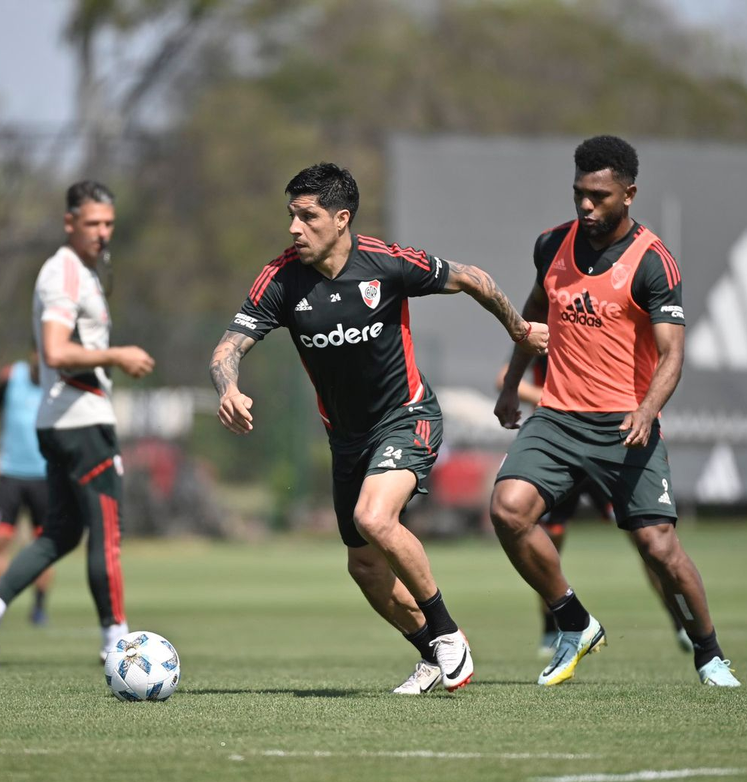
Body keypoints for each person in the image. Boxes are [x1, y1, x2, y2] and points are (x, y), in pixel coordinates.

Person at [210, 163, 548, 694]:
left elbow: (469, 277)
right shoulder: (280, 279)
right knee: (365, 568)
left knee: (373, 517)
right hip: (347, 438)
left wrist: (520, 329)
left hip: (408, 416)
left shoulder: (386, 263)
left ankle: (448, 633)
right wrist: (227, 388)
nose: (294, 228)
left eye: (308, 216)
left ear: (341, 219)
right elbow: (227, 348)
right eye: (291, 216)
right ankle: (432, 653)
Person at [490, 135, 740, 687]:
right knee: (508, 510)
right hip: (557, 419)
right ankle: (574, 622)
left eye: (599, 196)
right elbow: (534, 312)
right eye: (579, 193)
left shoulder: (653, 262)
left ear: (629, 194)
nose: (586, 205)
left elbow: (673, 355)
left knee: (658, 547)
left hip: (624, 425)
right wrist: (512, 383)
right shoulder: (551, 245)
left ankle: (709, 655)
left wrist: (648, 410)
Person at [0, 180, 156, 668]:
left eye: (109, 223)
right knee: (107, 532)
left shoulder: (82, 273)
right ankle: (117, 643)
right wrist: (117, 355)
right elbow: (57, 351)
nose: (102, 232)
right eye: (92, 223)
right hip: (81, 422)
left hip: (63, 421)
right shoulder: (63, 272)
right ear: (69, 223)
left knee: (60, 533)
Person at [496, 358, 694, 659]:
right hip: (560, 442)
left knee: (647, 539)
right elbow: (504, 378)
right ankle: (552, 626)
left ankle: (680, 622)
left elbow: (665, 362)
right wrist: (557, 398)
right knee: (548, 537)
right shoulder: (552, 336)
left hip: (609, 441)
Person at [0, 347, 55, 626]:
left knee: (45, 545)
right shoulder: (10, 377)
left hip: (46, 476)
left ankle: (39, 607)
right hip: (10, 473)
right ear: (34, 352)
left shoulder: (59, 384)